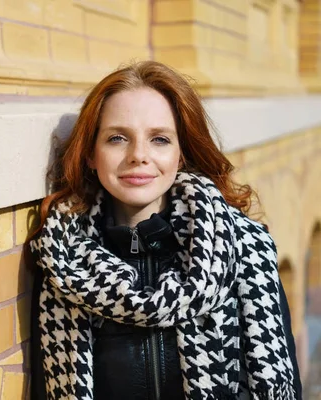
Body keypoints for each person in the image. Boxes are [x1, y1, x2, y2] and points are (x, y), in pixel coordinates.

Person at [28, 61, 302, 400]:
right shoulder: (62, 264)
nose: (138, 155)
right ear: (90, 155)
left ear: (181, 153)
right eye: (117, 138)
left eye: (159, 139)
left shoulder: (243, 248)